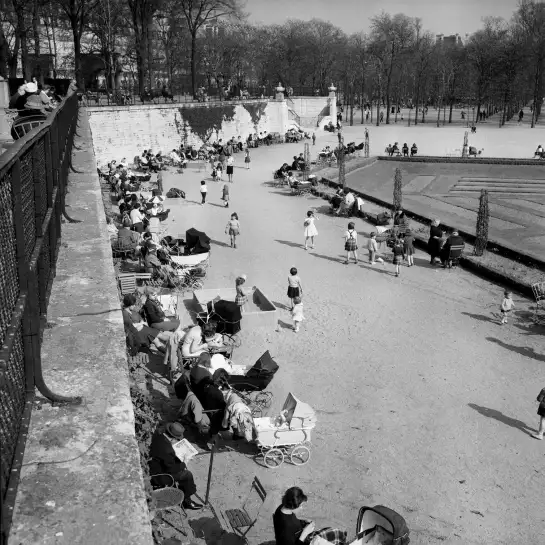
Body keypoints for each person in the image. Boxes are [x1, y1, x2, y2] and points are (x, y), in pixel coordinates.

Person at [148, 423, 203, 510]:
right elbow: (171, 469)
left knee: (180, 467)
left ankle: (185, 495)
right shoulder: (166, 449)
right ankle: (187, 501)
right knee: (187, 474)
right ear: (173, 437)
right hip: (160, 476)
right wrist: (185, 462)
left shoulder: (159, 436)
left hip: (156, 467)